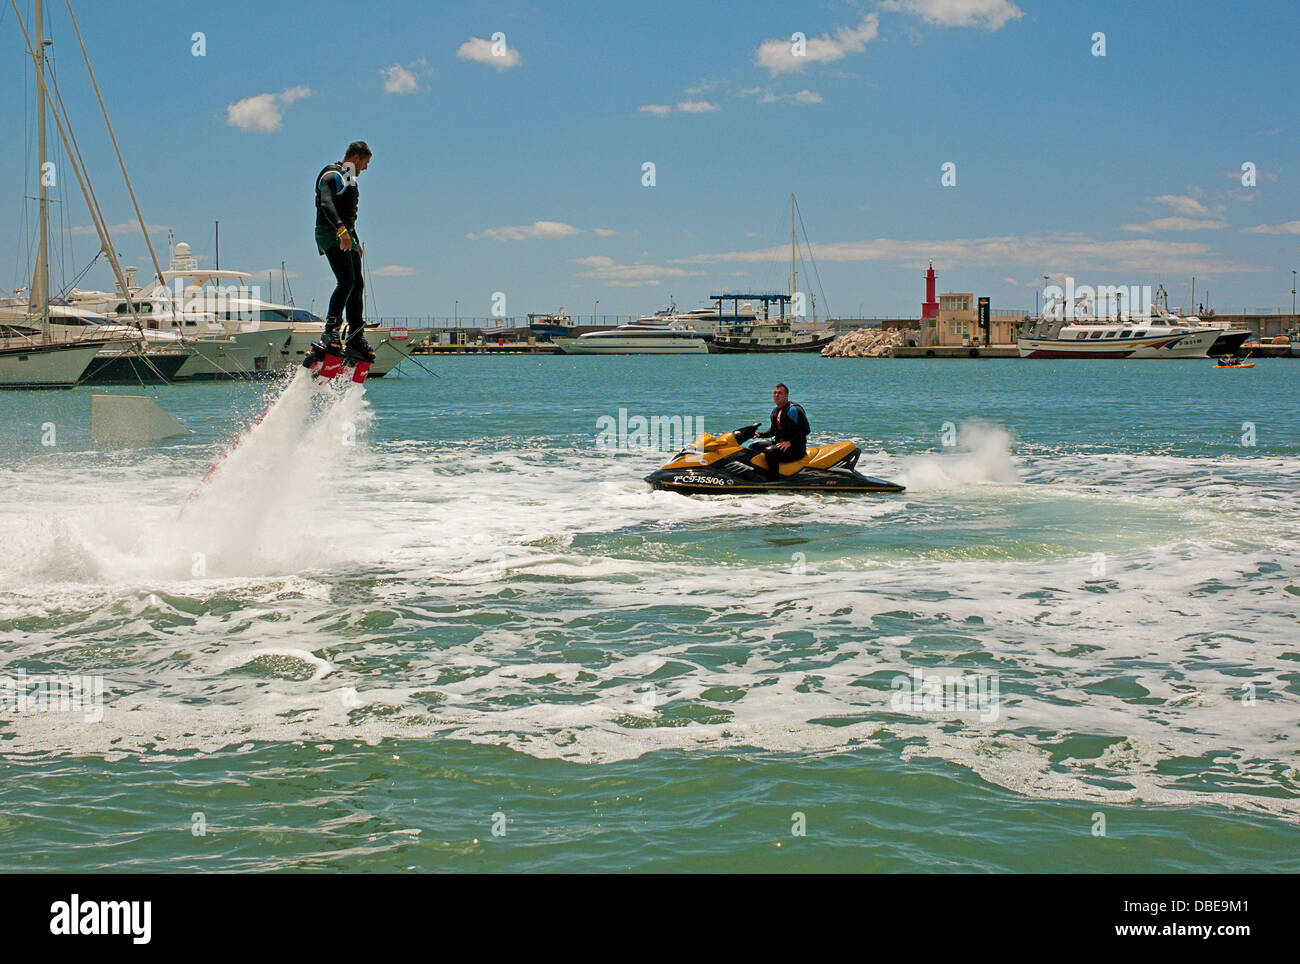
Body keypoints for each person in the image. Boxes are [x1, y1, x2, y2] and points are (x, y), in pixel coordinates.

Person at [315, 140, 374, 361]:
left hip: (345, 233)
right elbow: (326, 203)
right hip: (330, 232)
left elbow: (347, 212)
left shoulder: (348, 178)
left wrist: (355, 239)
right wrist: (341, 230)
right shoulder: (333, 175)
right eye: (366, 163)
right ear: (356, 158)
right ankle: (330, 330)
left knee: (357, 282)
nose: (366, 168)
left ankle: (356, 336)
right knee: (346, 281)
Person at [755, 382, 809, 481]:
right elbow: (773, 431)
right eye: (775, 393)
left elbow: (805, 430)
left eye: (780, 393)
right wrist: (758, 434)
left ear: (786, 395)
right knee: (755, 446)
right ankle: (757, 475)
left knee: (770, 451)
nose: (776, 395)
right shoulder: (775, 411)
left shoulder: (794, 410)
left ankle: (773, 480)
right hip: (781, 444)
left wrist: (790, 442)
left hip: (796, 449)